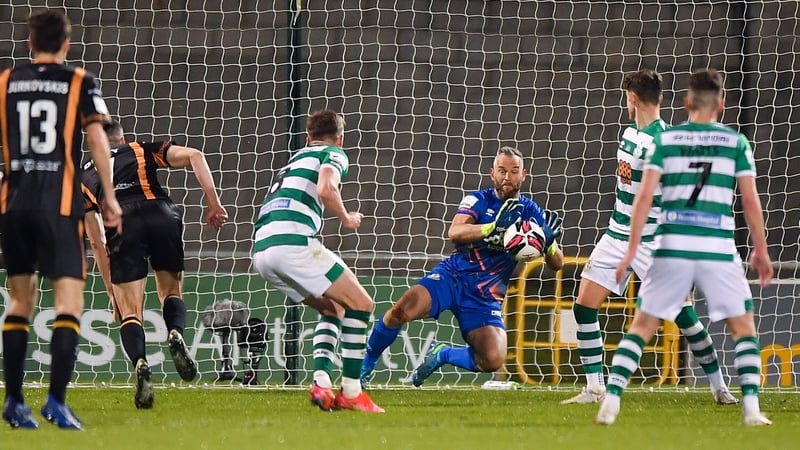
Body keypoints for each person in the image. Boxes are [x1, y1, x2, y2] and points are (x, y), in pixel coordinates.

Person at [595, 69, 773, 426]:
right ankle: (751, 408)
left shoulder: (666, 141)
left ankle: (610, 400)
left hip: (672, 244)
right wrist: (760, 249)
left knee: (642, 326)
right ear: (721, 105)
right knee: (743, 328)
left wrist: (631, 249)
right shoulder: (735, 143)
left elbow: (644, 196)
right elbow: (750, 201)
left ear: (687, 102)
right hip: (717, 245)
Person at [561, 69, 737, 405]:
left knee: (684, 317)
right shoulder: (629, 134)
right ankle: (595, 388)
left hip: (653, 241)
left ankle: (719, 386)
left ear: (632, 98)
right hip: (617, 235)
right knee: (584, 306)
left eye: (625, 98)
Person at [0, 9, 123, 430]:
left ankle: (14, 402)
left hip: (14, 205)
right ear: (66, 44)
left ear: (30, 43)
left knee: (20, 301)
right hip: (60, 205)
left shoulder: (6, 81)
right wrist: (109, 197)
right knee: (68, 302)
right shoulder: (79, 81)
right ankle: (55, 400)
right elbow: (97, 138)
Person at [360, 146, 564, 388]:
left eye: (513, 171)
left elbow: (558, 264)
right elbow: (454, 232)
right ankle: (363, 369)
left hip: (486, 296)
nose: (507, 177)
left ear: (524, 175)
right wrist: (491, 228)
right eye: (502, 171)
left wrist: (548, 244)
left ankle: (443, 354)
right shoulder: (478, 200)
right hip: (452, 277)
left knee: (493, 359)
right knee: (399, 312)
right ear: (492, 173)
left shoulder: (531, 213)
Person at [83, 119, 228, 409]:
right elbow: (195, 155)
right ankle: (175, 332)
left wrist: (111, 289)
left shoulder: (83, 176)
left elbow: (97, 241)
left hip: (122, 221)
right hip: (161, 213)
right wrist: (213, 203)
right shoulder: (141, 149)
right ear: (122, 138)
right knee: (171, 292)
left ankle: (140, 363)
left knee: (130, 312)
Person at [251, 109, 383, 413]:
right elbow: (326, 188)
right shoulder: (333, 153)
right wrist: (346, 218)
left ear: (307, 137)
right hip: (291, 242)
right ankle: (352, 392)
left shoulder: (295, 158)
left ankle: (321, 384)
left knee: (333, 308)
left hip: (261, 250)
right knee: (362, 304)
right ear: (341, 138)